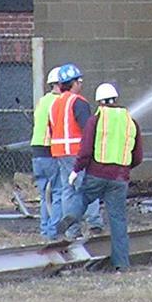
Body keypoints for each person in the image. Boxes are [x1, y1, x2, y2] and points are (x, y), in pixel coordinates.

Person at [59, 82, 143, 271]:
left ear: (99, 102)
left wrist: (76, 170)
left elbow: (85, 150)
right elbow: (138, 156)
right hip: (119, 179)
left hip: (96, 174)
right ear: (116, 99)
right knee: (118, 220)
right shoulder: (131, 122)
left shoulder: (95, 120)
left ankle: (72, 216)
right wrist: (124, 168)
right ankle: (121, 264)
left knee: (83, 197)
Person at [46, 63, 101, 234]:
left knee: (68, 190)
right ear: (74, 83)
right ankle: (94, 224)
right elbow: (88, 129)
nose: (81, 84)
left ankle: (71, 230)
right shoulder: (78, 102)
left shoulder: (55, 104)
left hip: (60, 152)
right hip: (76, 152)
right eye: (80, 81)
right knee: (87, 187)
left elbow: (51, 129)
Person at [30, 66, 64, 240]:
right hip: (50, 150)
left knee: (45, 195)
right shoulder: (59, 102)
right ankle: (53, 231)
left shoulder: (42, 101)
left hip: (37, 151)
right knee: (58, 192)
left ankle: (44, 230)